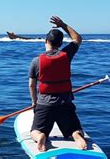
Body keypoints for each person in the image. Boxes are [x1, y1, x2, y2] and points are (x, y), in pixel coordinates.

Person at [28, 16, 84, 152]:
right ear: (60, 44)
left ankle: (41, 136)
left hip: (44, 104)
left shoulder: (36, 61)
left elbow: (31, 85)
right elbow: (78, 39)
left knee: (34, 131)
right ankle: (76, 136)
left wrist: (34, 103)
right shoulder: (66, 54)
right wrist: (63, 24)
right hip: (65, 103)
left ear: (46, 41)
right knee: (75, 129)